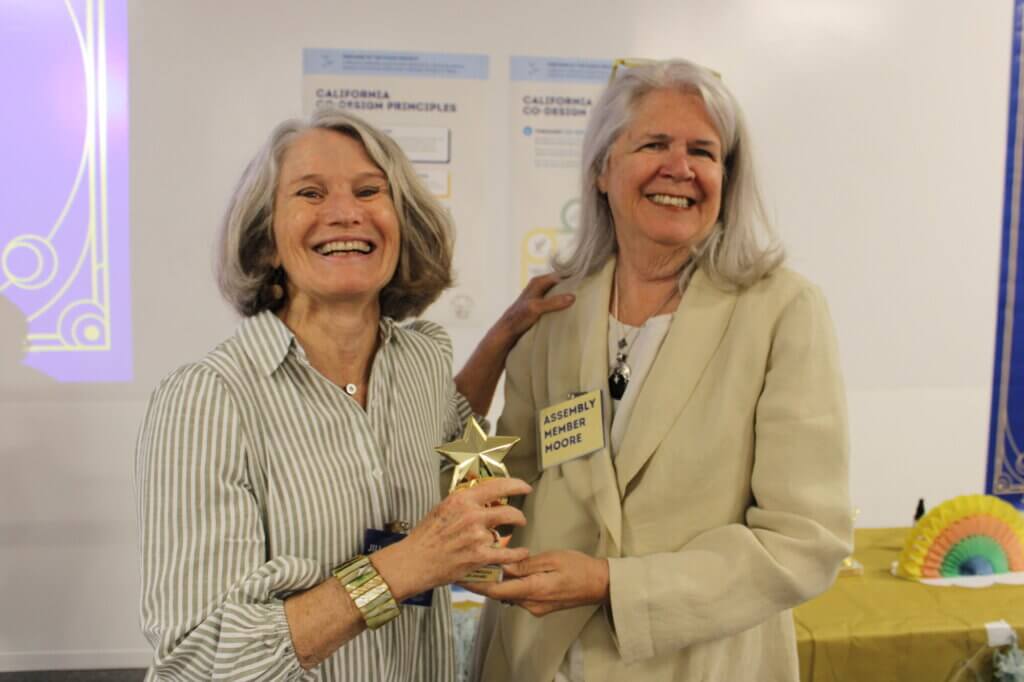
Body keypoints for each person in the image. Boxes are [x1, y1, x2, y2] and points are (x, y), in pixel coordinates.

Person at [134, 108, 572, 680]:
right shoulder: (206, 402)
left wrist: (507, 331)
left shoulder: (420, 361)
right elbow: (197, 662)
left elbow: (450, 423)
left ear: (402, 224)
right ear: (267, 243)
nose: (345, 213)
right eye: (310, 193)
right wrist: (404, 567)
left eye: (369, 191)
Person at [468, 59, 852, 681]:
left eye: (703, 151)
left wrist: (612, 584)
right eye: (654, 144)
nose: (681, 168)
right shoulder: (557, 309)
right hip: (537, 660)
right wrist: (488, 356)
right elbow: (504, 485)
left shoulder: (782, 310)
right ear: (602, 170)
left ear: (727, 177)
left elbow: (804, 541)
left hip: (698, 666)